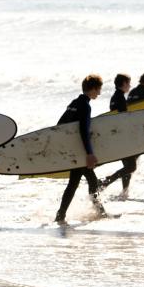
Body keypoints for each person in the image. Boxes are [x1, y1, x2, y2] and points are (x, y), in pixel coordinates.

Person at [54, 74, 106, 224]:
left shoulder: (75, 103)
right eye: (99, 89)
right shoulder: (85, 106)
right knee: (83, 182)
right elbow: (83, 130)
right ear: (93, 89)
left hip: (73, 150)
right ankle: (99, 212)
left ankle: (61, 215)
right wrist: (89, 153)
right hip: (80, 151)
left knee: (83, 182)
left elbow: (59, 126)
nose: (100, 93)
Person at [100, 73, 137, 200]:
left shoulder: (114, 97)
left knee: (128, 166)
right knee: (131, 166)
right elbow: (123, 119)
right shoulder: (120, 98)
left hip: (117, 137)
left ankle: (124, 192)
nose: (130, 86)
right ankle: (106, 182)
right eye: (128, 83)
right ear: (124, 84)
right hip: (123, 138)